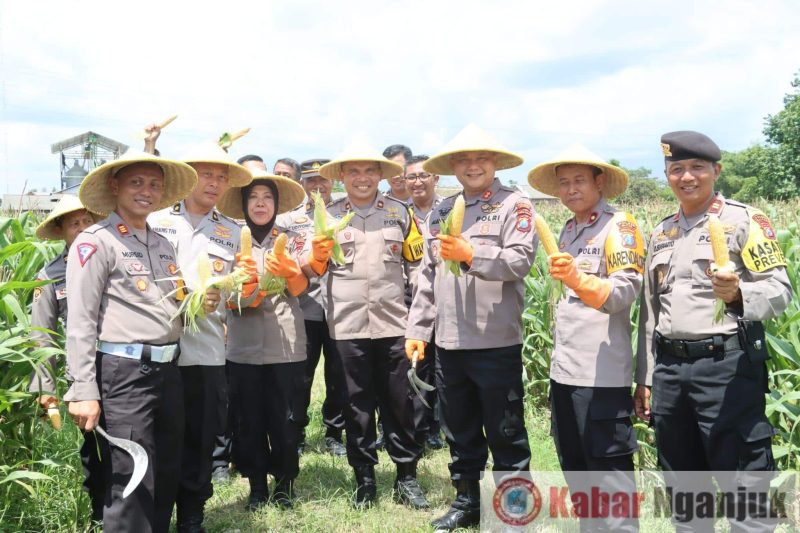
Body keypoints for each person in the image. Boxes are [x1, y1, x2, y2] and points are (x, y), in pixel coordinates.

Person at [635, 131, 792, 530]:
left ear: (715, 171)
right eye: (676, 169)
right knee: (683, 485)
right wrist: (645, 378)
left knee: (744, 480)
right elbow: (651, 311)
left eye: (696, 168)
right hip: (670, 371)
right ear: (668, 175)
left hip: (726, 367)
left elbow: (780, 289)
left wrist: (739, 294)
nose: (686, 177)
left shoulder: (744, 220)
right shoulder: (661, 232)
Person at [406, 124, 537, 530]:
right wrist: (417, 330)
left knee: (506, 432)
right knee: (459, 430)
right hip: (449, 341)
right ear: (453, 167)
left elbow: (519, 261)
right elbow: (427, 276)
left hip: (495, 340)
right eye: (464, 159)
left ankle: (515, 510)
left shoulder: (515, 206)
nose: (473, 165)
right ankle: (467, 502)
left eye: (481, 158)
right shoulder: (442, 212)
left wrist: (471, 253)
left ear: (494, 162)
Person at [65, 150, 202, 533]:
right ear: (115, 186)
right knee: (133, 471)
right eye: (137, 182)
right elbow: (80, 320)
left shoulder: (161, 244)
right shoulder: (96, 242)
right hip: (124, 374)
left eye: (155, 184)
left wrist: (198, 299)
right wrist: (82, 388)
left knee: (165, 470)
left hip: (167, 370)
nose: (147, 191)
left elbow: (172, 307)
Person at [528, 144, 643, 532]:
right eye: (564, 183)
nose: (571, 189)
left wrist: (579, 279)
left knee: (609, 478)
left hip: (601, 378)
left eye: (579, 181)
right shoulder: (570, 229)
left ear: (599, 183)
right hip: (566, 373)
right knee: (577, 473)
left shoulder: (619, 226)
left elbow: (625, 291)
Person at [316, 148, 428, 510]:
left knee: (399, 403)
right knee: (356, 406)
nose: (361, 178)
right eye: (353, 172)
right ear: (342, 177)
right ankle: (364, 478)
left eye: (369, 171)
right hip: (346, 327)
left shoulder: (400, 212)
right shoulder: (328, 217)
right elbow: (314, 269)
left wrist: (418, 320)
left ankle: (406, 477)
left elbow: (416, 267)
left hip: (394, 324)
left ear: (380, 175)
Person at [149, 142, 252, 532]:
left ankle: (192, 514)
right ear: (188, 175)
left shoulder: (231, 231)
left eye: (222, 176)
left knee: (200, 437)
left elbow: (239, 290)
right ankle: (157, 515)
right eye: (206, 174)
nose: (214, 183)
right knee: (160, 437)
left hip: (207, 350)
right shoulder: (156, 220)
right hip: (158, 348)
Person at [217, 169, 308, 511]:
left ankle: (285, 484)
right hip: (242, 346)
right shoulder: (227, 239)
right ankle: (256, 486)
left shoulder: (292, 238)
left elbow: (302, 289)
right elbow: (223, 294)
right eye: (253, 197)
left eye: (267, 197)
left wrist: (290, 272)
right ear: (243, 204)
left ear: (276, 204)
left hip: (285, 343)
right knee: (248, 421)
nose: (260, 203)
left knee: (286, 420)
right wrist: (244, 292)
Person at [29, 195, 104, 521]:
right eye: (75, 223)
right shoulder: (49, 276)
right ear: (61, 231)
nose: (84, 228)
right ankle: (100, 513)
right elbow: (41, 334)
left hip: (125, 364)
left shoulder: (111, 257)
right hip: (84, 372)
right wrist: (47, 389)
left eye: (89, 220)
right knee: (95, 448)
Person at [290, 158, 348, 457]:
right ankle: (297, 430)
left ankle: (334, 432)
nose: (317, 186)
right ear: (302, 184)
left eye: (323, 179)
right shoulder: (291, 221)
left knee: (339, 374)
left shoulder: (345, 215)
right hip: (306, 307)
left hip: (342, 309)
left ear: (333, 182)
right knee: (302, 374)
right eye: (311, 180)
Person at [404, 154, 445, 450]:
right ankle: (414, 426)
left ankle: (436, 427)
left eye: (423, 175)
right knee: (415, 366)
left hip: (443, 299)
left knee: (442, 368)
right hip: (408, 299)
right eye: (411, 177)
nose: (417, 182)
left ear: (435, 178)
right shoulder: (400, 214)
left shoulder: (450, 211)